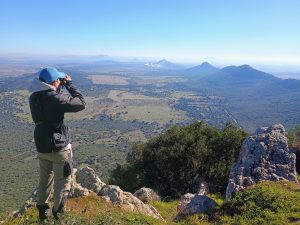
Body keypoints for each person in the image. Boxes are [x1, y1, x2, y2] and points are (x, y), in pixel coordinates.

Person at [29, 67, 85, 222]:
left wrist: (59, 87)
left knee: (45, 179)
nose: (61, 82)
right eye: (59, 80)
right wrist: (70, 85)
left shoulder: (34, 97)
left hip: (41, 145)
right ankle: (58, 213)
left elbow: (51, 103)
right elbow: (80, 103)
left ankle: (43, 211)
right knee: (62, 180)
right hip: (59, 147)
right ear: (54, 82)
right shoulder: (54, 99)